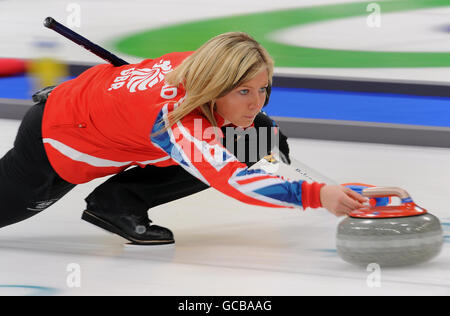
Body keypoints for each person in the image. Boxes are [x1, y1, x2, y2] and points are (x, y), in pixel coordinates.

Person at [0, 32, 367, 245]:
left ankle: (117, 202)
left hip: (97, 106)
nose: (256, 102)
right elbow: (231, 179)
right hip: (59, 138)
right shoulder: (176, 120)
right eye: (243, 92)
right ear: (215, 86)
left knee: (262, 141)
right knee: (222, 156)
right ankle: (113, 202)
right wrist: (316, 195)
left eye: (263, 88)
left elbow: (263, 151)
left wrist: (320, 186)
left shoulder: (203, 61)